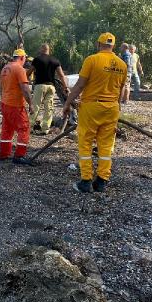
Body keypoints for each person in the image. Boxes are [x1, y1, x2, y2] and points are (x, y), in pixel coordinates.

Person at [62, 32, 127, 193]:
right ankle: (102, 181)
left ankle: (86, 181)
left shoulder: (92, 60)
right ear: (113, 46)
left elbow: (79, 85)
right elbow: (121, 90)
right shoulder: (122, 65)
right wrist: (116, 110)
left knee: (85, 143)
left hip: (91, 107)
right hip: (112, 108)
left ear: (99, 44)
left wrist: (67, 103)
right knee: (105, 146)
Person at [26, 43, 70, 135]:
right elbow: (61, 75)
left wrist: (24, 82)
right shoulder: (55, 60)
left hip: (39, 86)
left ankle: (29, 127)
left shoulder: (37, 59)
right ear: (49, 50)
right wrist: (65, 87)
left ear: (41, 50)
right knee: (49, 108)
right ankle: (45, 129)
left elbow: (29, 72)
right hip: (51, 87)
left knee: (36, 107)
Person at [0, 48, 33, 163]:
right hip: (15, 105)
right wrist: (31, 104)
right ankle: (19, 156)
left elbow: (1, 87)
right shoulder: (19, 69)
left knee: (7, 129)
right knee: (24, 128)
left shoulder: (5, 68)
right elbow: (25, 89)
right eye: (25, 59)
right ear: (22, 58)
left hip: (5, 103)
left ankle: (4, 154)